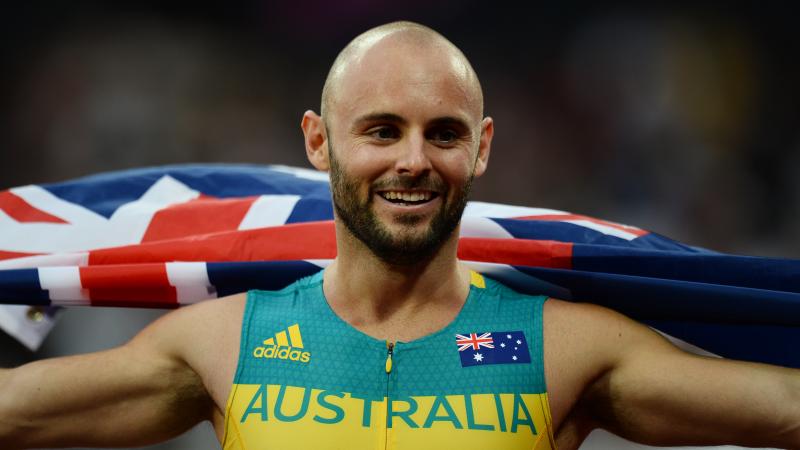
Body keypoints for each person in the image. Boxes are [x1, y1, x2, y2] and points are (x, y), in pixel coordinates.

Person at [0, 20, 798, 450]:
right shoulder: (222, 343)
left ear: (481, 147)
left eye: (443, 133)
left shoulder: (568, 350)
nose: (413, 162)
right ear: (318, 143)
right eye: (381, 130)